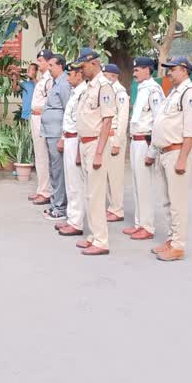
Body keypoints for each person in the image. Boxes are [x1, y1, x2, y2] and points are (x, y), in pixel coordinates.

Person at [150, 57, 192, 262]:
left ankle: (178, 245)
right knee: (167, 200)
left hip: (178, 152)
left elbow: (191, 130)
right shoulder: (174, 92)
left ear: (183, 70)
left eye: (172, 69)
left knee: (177, 202)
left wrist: (182, 158)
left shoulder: (190, 93)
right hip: (166, 152)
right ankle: (172, 240)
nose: (168, 73)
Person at [73, 48, 116, 256]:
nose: (81, 70)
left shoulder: (104, 86)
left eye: (83, 66)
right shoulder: (90, 87)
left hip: (96, 144)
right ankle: (93, 235)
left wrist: (99, 152)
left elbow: (107, 120)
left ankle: (101, 240)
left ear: (94, 63)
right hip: (86, 144)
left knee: (96, 193)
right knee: (90, 193)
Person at [123, 57, 164, 240]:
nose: (134, 73)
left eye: (138, 69)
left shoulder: (154, 90)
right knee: (137, 184)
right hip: (135, 140)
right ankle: (139, 223)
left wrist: (153, 151)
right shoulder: (142, 89)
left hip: (145, 141)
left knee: (144, 185)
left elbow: (158, 121)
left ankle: (147, 226)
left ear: (148, 70)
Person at [55, 62, 88, 237]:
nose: (68, 78)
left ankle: (76, 222)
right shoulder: (76, 93)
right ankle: (71, 218)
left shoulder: (84, 93)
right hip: (69, 139)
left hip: (76, 140)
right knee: (70, 182)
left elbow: (81, 123)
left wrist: (77, 150)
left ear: (79, 75)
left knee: (76, 183)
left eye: (70, 75)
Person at [41, 54, 72, 221]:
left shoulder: (65, 84)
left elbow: (68, 111)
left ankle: (60, 208)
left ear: (60, 66)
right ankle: (55, 204)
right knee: (53, 170)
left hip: (57, 134)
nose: (49, 67)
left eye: (52, 65)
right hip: (50, 133)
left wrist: (63, 136)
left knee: (58, 171)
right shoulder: (56, 83)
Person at [102, 64, 130, 223]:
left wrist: (117, 142)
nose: (104, 78)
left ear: (114, 76)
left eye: (106, 75)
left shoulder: (120, 93)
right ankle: (112, 207)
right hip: (106, 136)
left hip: (114, 137)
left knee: (115, 176)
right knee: (106, 175)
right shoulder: (108, 91)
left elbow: (123, 119)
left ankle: (117, 209)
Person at [29, 50, 53, 205]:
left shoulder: (50, 79)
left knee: (43, 156)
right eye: (38, 60)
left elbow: (52, 103)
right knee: (39, 155)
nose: (39, 63)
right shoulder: (42, 79)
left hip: (42, 118)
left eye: (42, 60)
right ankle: (41, 189)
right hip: (35, 117)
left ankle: (46, 192)